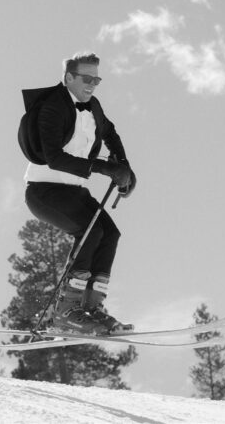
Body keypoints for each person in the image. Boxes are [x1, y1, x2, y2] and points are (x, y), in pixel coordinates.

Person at [21, 52, 137, 335]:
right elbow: (54, 158)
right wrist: (104, 168)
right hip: (44, 191)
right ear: (69, 77)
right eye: (87, 79)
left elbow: (110, 133)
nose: (92, 85)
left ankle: (90, 308)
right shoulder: (53, 107)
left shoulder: (93, 106)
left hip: (74, 192)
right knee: (90, 232)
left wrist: (124, 167)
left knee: (110, 234)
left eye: (97, 80)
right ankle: (66, 311)